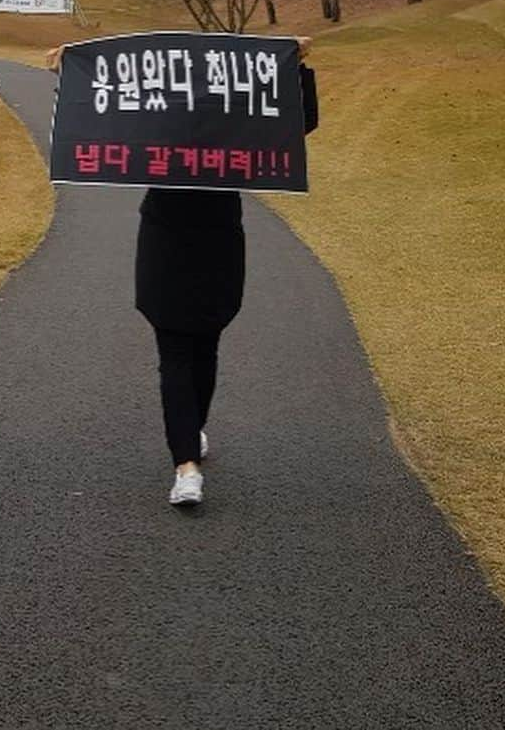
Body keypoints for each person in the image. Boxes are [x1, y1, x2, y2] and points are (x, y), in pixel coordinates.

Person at [47, 36, 319, 509]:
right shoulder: (154, 116)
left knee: (207, 339)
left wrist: (296, 69)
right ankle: (185, 466)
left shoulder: (233, 119)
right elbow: (98, 115)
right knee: (173, 347)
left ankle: (190, 431)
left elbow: (298, 124)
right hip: (165, 238)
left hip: (218, 237)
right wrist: (68, 72)